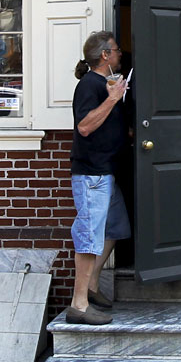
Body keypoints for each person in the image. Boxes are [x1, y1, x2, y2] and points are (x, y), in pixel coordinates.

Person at [66, 30, 132, 325]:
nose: (120, 55)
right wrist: (112, 99)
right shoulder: (89, 85)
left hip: (106, 173)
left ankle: (91, 287)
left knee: (115, 229)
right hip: (92, 175)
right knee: (89, 239)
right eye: (116, 50)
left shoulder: (104, 84)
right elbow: (84, 126)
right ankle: (78, 305)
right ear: (105, 55)